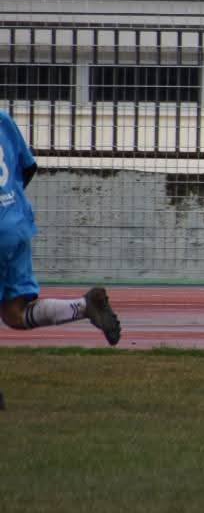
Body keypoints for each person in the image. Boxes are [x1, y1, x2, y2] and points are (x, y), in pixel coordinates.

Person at [1, 109, 121, 346]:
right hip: (16, 221)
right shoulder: (3, 119)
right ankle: (85, 306)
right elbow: (27, 167)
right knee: (15, 312)